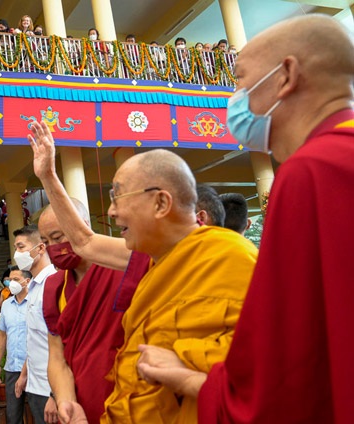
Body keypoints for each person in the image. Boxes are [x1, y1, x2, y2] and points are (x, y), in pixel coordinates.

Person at [137, 15, 354, 423]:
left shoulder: (313, 170)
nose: (234, 98)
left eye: (239, 80)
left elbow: (289, 365)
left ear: (286, 75)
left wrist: (190, 380)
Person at [92, 148, 256, 423]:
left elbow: (266, 364)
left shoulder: (231, 258)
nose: (111, 211)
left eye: (117, 196)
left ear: (160, 203)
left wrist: (186, 369)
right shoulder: (159, 268)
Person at [35, 197, 131, 424]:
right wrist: (66, 402)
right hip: (79, 403)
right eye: (46, 242)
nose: (53, 248)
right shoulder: (54, 287)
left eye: (58, 237)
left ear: (83, 226)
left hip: (128, 397)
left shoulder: (123, 269)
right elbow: (57, 357)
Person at [11, 225, 57, 424]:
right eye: (15, 248)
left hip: (50, 387)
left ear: (40, 248)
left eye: (21, 247)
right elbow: (35, 340)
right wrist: (24, 374)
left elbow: (61, 342)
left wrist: (56, 394)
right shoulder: (34, 287)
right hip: (35, 384)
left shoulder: (53, 283)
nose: (16, 254)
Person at [0, 266, 31, 424]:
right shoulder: (7, 305)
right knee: (13, 416)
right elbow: (2, 335)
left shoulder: (35, 302)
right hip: (12, 369)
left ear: (27, 281)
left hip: (33, 368)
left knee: (39, 412)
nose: (11, 283)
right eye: (10, 279)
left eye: (16, 279)